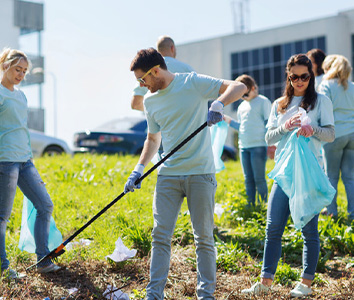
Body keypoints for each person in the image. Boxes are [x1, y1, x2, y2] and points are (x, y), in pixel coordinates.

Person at [125, 48, 247, 300]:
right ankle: (153, 295)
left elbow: (239, 86)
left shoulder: (192, 82)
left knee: (203, 238)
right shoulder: (150, 101)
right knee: (160, 236)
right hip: (167, 175)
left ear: (155, 71)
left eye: (142, 79)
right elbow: (152, 137)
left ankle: (206, 296)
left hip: (200, 173)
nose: (140, 85)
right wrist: (139, 168)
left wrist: (218, 102)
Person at [241, 54, 335, 297]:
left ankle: (305, 283)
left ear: (311, 76)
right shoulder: (279, 104)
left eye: (304, 76)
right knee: (273, 228)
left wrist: (311, 129)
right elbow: (269, 137)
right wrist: (286, 126)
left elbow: (331, 134)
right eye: (294, 76)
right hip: (283, 173)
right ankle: (265, 281)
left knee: (308, 230)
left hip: (309, 173)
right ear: (289, 77)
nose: (300, 81)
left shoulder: (321, 101)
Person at [0, 48, 60, 278]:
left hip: (25, 161)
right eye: (18, 69)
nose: (21, 74)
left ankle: (43, 260)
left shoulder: (21, 96)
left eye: (24, 71)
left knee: (44, 205)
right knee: (2, 216)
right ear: (5, 66)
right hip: (5, 161)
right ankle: (2, 267)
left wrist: (31, 163)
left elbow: (22, 130)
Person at [223, 74, 271, 205]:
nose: (244, 97)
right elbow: (241, 126)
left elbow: (269, 123)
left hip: (258, 145)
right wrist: (228, 120)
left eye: (246, 93)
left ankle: (264, 205)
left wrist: (270, 143)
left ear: (254, 88)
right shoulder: (241, 107)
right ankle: (251, 205)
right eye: (241, 95)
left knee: (259, 178)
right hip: (244, 146)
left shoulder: (263, 101)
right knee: (248, 179)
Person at [319, 54, 354, 221]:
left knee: (331, 175)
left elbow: (322, 110)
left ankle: (333, 214)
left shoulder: (326, 85)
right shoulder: (352, 86)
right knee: (350, 177)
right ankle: (353, 214)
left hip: (334, 135)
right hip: (352, 135)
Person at [131, 36, 194, 111]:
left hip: (159, 122)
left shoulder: (147, 72)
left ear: (157, 51)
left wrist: (156, 112)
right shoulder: (187, 69)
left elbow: (136, 104)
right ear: (172, 48)